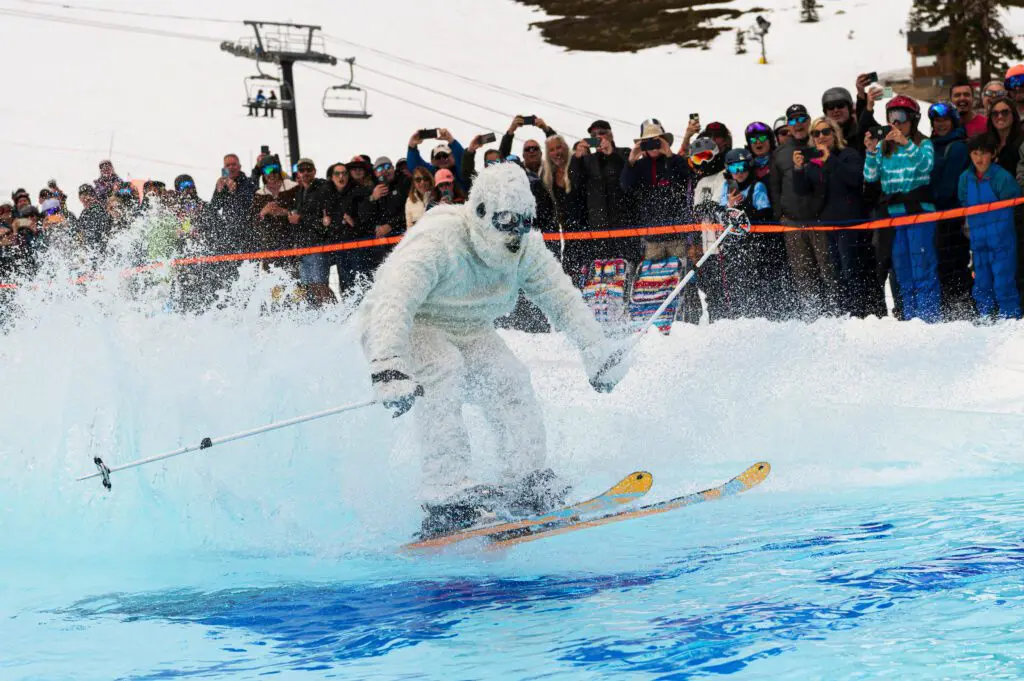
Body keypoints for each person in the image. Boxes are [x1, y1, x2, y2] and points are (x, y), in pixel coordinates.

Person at [358, 162, 629, 538]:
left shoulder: (525, 250)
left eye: (524, 222)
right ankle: (445, 492)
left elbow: (561, 299)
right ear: (482, 211)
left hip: (470, 329)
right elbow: (394, 301)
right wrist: (388, 364)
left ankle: (524, 480)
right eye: (506, 222)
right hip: (408, 325)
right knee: (443, 367)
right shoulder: (440, 238)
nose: (515, 235)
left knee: (510, 379)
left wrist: (596, 349)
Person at [793, 116, 882, 318]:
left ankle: (860, 314)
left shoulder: (848, 154)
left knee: (853, 270)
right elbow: (801, 190)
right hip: (828, 224)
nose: (821, 137)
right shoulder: (813, 162)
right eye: (816, 133)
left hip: (851, 223)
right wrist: (798, 169)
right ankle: (845, 314)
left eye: (826, 132)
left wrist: (830, 159)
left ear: (835, 134)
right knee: (836, 273)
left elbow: (854, 178)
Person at [863, 95, 941, 322]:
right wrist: (870, 151)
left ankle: (928, 318)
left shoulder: (922, 143)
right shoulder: (885, 149)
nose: (895, 123)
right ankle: (910, 317)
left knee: (922, 265)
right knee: (902, 268)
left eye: (901, 117)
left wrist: (906, 143)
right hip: (893, 215)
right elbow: (870, 176)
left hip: (919, 212)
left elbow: (926, 165)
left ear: (913, 119)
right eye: (891, 117)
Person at [771, 103, 837, 319]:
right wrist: (779, 216)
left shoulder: (819, 143)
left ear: (808, 121)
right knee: (803, 276)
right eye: (793, 120)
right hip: (792, 224)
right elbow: (775, 187)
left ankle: (836, 315)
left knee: (829, 271)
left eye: (802, 119)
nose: (798, 124)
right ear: (788, 125)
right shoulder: (781, 153)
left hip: (820, 220)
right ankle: (812, 318)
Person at [717, 148, 788, 320]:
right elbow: (720, 215)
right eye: (734, 169)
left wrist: (742, 210)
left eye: (742, 167)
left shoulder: (758, 186)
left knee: (762, 283)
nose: (739, 173)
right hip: (735, 247)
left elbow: (764, 213)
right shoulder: (727, 187)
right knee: (738, 283)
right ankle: (741, 316)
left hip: (758, 247)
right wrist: (730, 206)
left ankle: (770, 315)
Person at [958, 134, 1022, 319]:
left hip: (1002, 242)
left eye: (984, 153)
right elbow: (963, 201)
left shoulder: (1001, 177)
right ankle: (985, 320)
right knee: (981, 284)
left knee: (1004, 283)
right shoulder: (965, 178)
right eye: (975, 153)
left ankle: (1009, 322)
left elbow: (1014, 203)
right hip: (978, 242)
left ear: (993, 154)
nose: (979, 158)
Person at [927, 102, 973, 319]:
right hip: (934, 216)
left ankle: (961, 307)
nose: (941, 124)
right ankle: (947, 306)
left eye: (945, 120)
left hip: (951, 215)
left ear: (953, 121)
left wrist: (929, 199)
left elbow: (948, 185)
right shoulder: (931, 145)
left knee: (954, 261)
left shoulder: (957, 146)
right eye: (937, 121)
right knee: (940, 263)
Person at [542, 135, 588, 283]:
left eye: (559, 147)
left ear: (566, 147)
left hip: (587, 229)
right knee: (569, 277)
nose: (557, 152)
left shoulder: (577, 164)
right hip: (568, 234)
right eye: (552, 150)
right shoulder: (549, 175)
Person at [209, 153, 257, 253]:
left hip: (250, 234)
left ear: (239, 166)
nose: (231, 167)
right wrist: (219, 190)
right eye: (227, 165)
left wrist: (234, 192)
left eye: (233, 164)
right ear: (224, 168)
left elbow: (251, 203)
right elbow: (214, 207)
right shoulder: (222, 184)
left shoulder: (250, 182)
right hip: (230, 235)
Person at [987, 94, 1022, 175]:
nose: (1000, 116)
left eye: (1005, 112)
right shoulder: (985, 142)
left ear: (1013, 115)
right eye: (995, 113)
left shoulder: (1022, 142)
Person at [822, 86, 864, 154]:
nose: (836, 110)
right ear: (825, 112)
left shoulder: (862, 132)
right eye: (830, 107)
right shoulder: (820, 136)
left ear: (849, 109)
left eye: (840, 105)